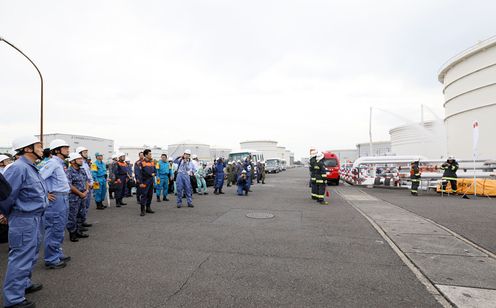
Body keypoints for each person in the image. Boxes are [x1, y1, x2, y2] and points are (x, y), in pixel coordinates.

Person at [0, 136, 46, 308]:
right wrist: (6, 215)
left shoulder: (31, 167)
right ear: (27, 149)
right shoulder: (18, 168)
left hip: (35, 217)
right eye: (39, 146)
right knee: (20, 259)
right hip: (23, 219)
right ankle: (13, 300)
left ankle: (23, 284)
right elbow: (6, 196)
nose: (42, 149)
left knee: (31, 255)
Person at [39, 139, 73, 269]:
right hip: (56, 199)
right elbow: (38, 178)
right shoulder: (52, 163)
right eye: (65, 148)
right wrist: (45, 194)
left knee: (59, 228)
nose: (68, 150)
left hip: (63, 198)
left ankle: (57, 253)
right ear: (57, 150)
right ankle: (51, 259)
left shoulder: (60, 163)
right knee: (54, 228)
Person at [66, 153, 89, 242]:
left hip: (83, 196)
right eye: (78, 159)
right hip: (74, 197)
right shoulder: (69, 171)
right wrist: (80, 193)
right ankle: (72, 233)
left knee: (81, 214)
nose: (81, 160)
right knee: (72, 216)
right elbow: (69, 185)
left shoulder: (82, 170)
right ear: (72, 161)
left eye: (81, 159)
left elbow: (86, 180)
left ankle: (78, 231)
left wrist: (86, 191)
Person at [76, 147, 93, 228]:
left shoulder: (85, 163)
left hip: (88, 186)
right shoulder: (79, 163)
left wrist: (91, 183)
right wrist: (87, 185)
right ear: (80, 153)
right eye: (84, 152)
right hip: (83, 187)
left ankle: (83, 221)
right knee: (81, 207)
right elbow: (82, 177)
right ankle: (79, 224)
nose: (86, 154)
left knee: (86, 205)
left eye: (86, 152)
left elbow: (89, 175)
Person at [137, 149, 156, 216]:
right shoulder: (141, 163)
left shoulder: (152, 162)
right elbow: (139, 174)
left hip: (151, 181)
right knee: (144, 195)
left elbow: (155, 170)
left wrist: (154, 174)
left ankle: (148, 208)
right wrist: (141, 183)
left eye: (151, 154)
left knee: (150, 195)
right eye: (150, 154)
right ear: (146, 155)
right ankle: (142, 210)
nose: (151, 155)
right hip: (145, 181)